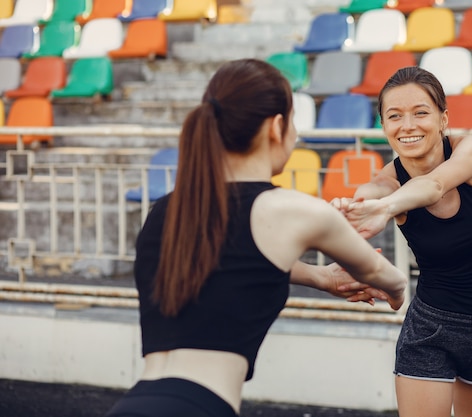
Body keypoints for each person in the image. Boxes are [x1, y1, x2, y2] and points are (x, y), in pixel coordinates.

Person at [104, 59, 407, 417]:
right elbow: (380, 272)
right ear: (276, 127)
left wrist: (320, 277)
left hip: (134, 403)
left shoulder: (166, 212)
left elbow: (234, 256)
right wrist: (400, 288)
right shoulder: (291, 210)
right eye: (294, 122)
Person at [332, 66, 472, 417]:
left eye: (421, 113)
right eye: (394, 116)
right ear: (384, 126)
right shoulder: (383, 186)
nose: (408, 125)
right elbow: (368, 200)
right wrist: (349, 215)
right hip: (431, 326)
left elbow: (434, 185)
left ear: (443, 119)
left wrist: (385, 208)